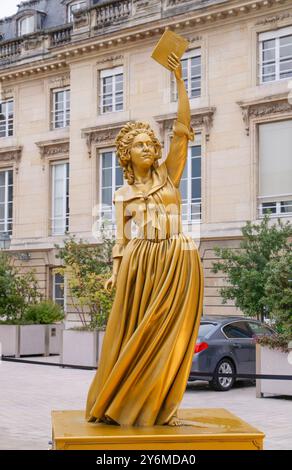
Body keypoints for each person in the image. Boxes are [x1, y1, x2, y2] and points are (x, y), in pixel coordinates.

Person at [86, 52, 204, 426]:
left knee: (173, 337)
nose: (150, 148)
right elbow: (121, 241)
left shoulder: (170, 174)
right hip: (143, 262)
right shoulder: (122, 194)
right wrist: (114, 271)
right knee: (138, 333)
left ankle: (158, 403)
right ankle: (124, 402)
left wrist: (181, 81)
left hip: (179, 258)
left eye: (152, 143)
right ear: (127, 154)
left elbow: (183, 126)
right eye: (142, 145)